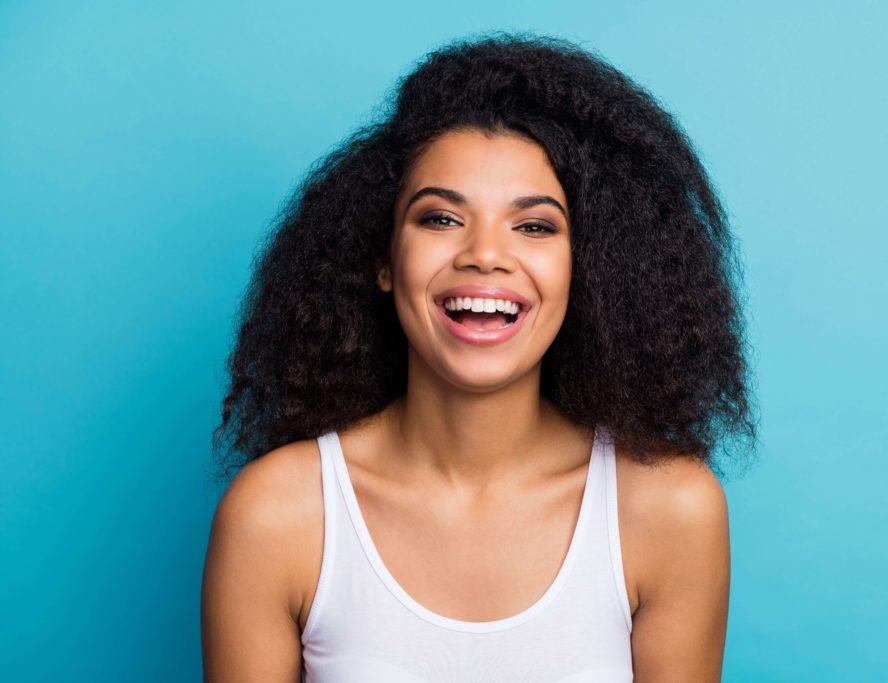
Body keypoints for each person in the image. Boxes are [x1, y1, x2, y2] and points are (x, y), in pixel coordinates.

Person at [201, 31, 757, 682]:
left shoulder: (669, 511)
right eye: (440, 218)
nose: (485, 254)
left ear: (588, 269)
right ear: (383, 259)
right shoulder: (277, 515)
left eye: (535, 225)